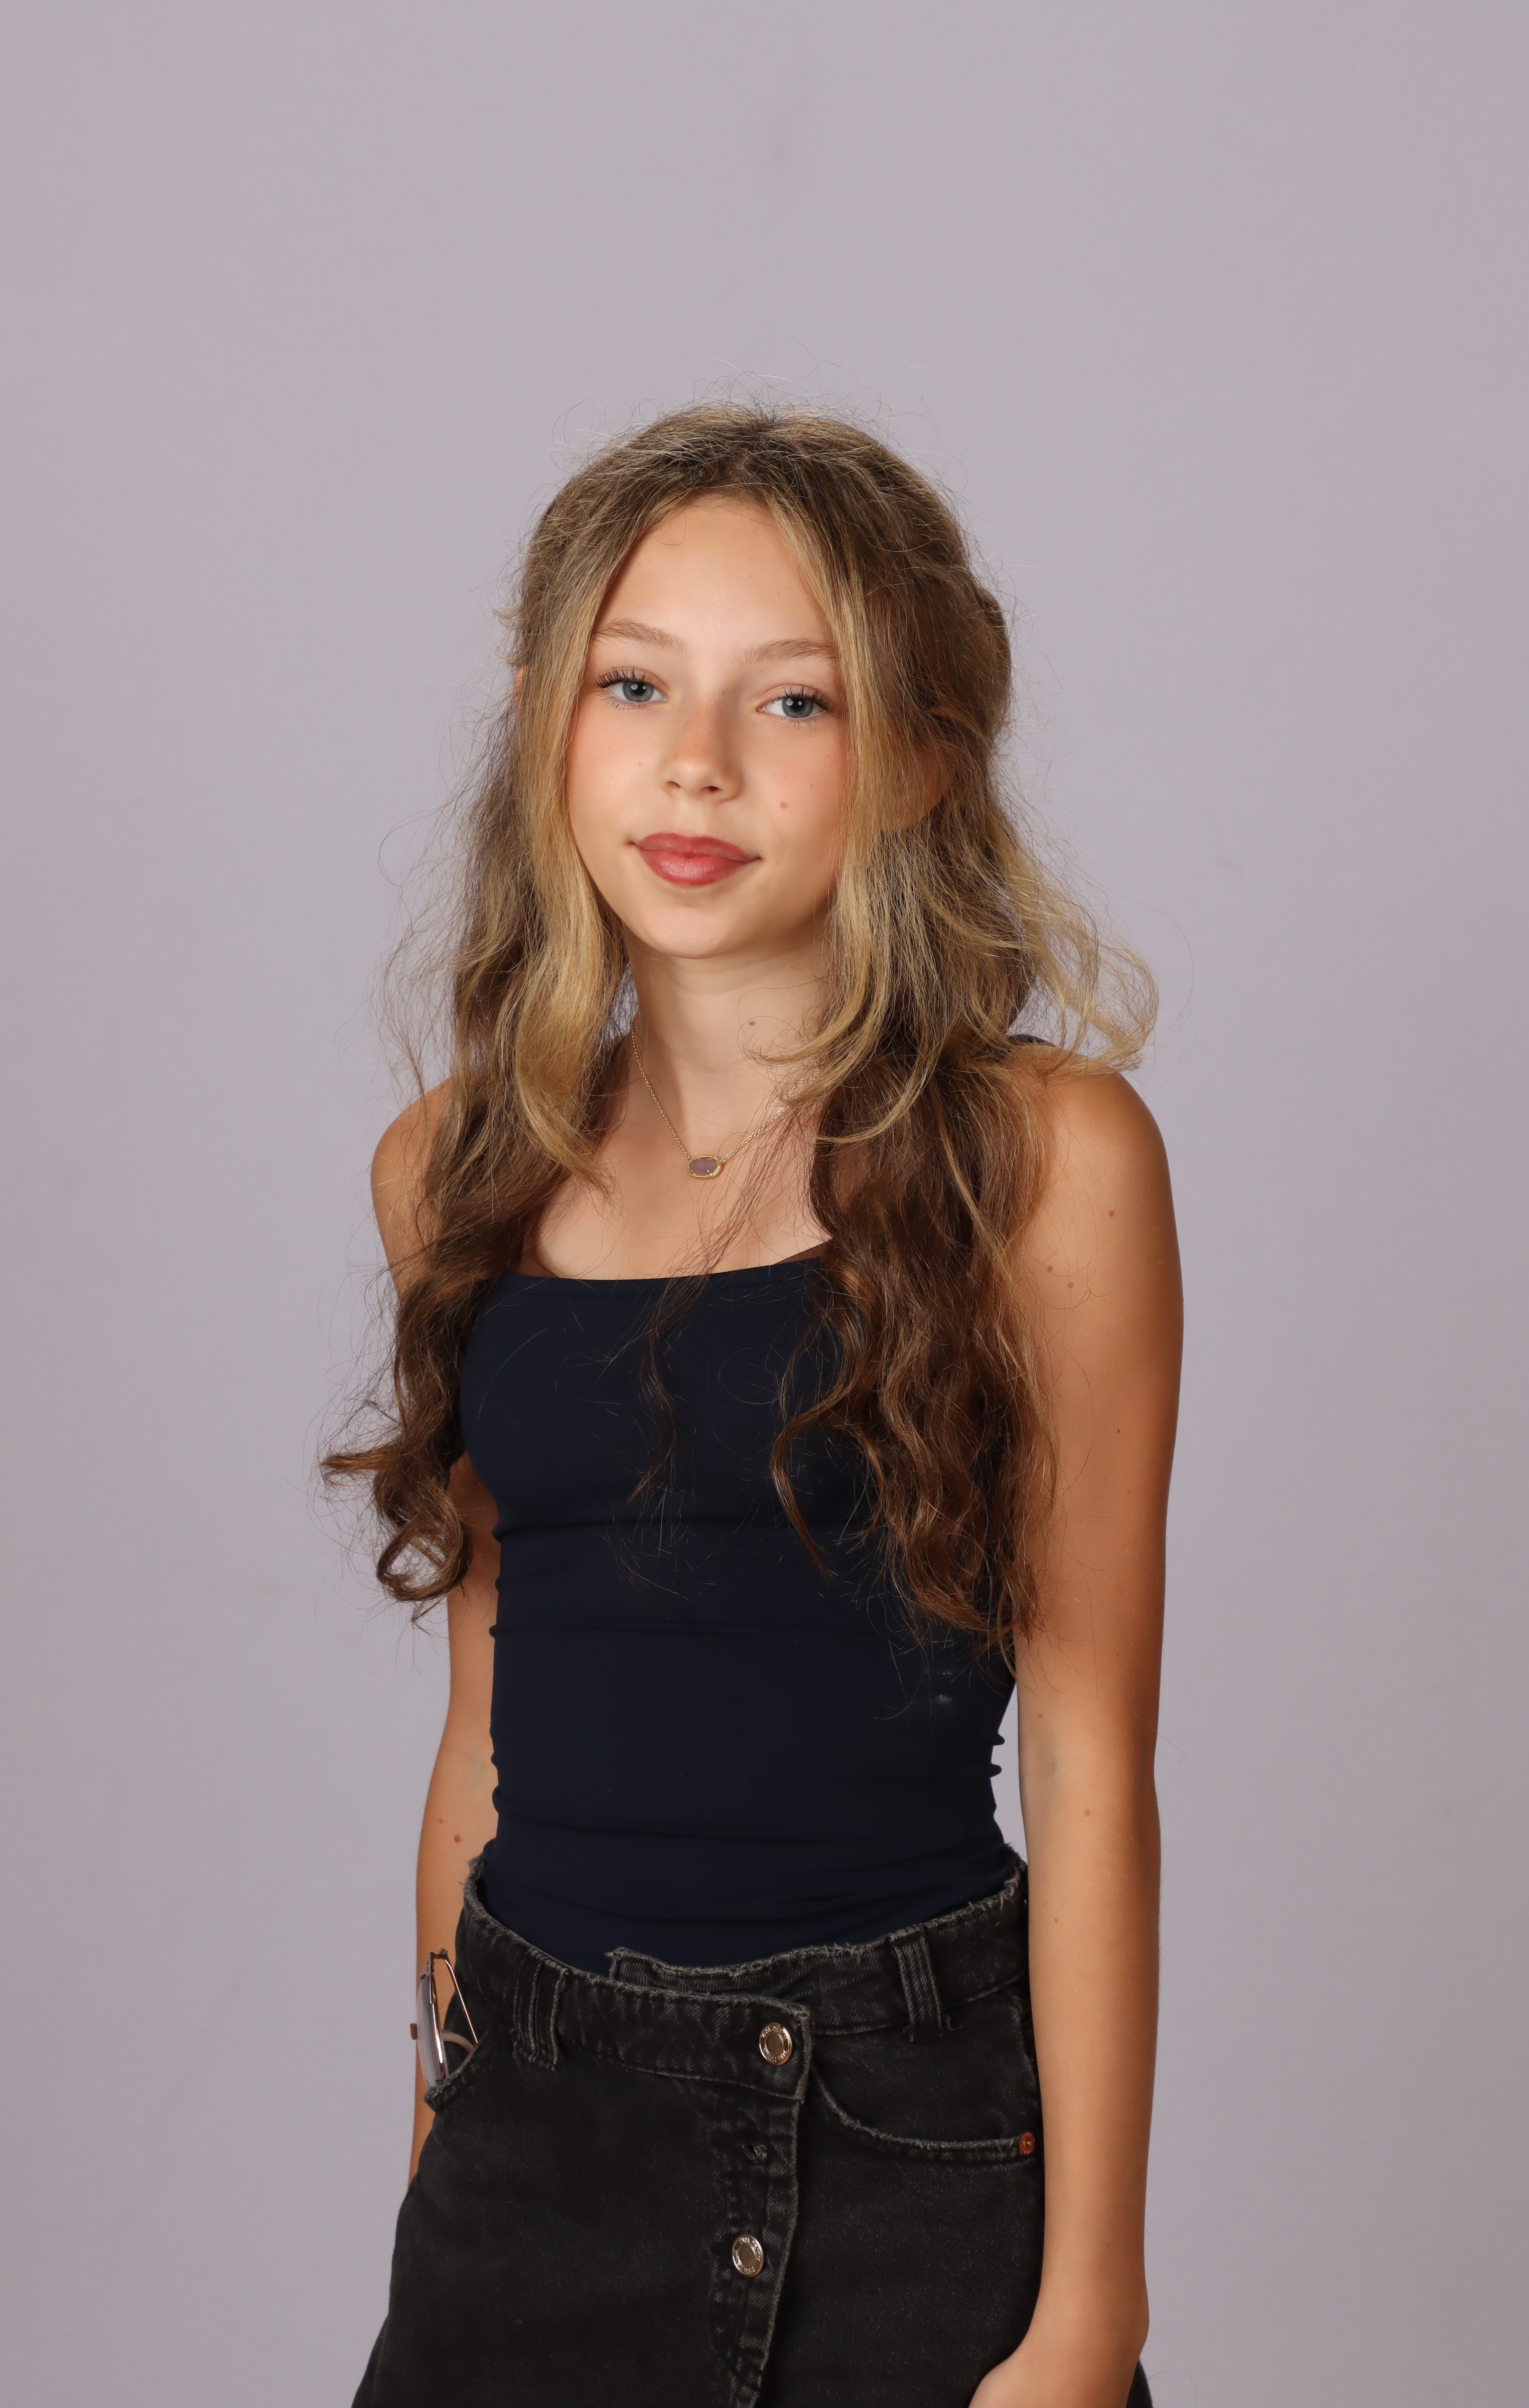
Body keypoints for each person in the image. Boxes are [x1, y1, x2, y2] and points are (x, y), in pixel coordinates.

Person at [329, 402, 1180, 2408]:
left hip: (906, 2134)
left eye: (793, 702)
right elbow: (479, 1736)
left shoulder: (1042, 1163)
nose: (696, 762)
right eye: (634, 685)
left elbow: (1088, 1759)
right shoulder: (453, 1168)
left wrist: (1089, 2313)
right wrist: (439, 2161)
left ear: (920, 760)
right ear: (546, 724)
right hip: (530, 2136)